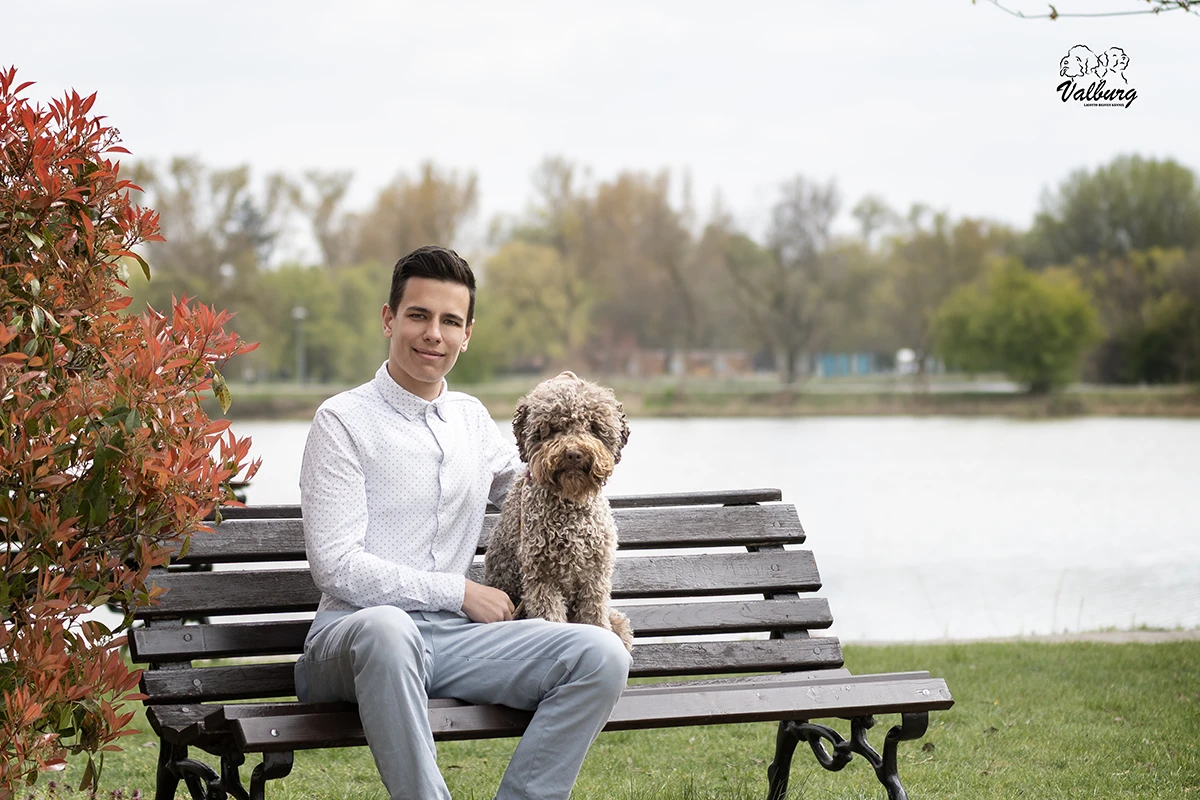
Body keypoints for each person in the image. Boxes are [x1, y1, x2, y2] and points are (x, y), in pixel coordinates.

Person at [294, 245, 631, 800]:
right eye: (419, 316)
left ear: (467, 334)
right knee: (389, 627)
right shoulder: (342, 421)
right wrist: (459, 591)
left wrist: (566, 409)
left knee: (600, 655)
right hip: (351, 640)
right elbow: (336, 567)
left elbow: (530, 483)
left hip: (453, 642)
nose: (434, 334)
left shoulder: (472, 420)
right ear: (388, 319)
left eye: (450, 321)